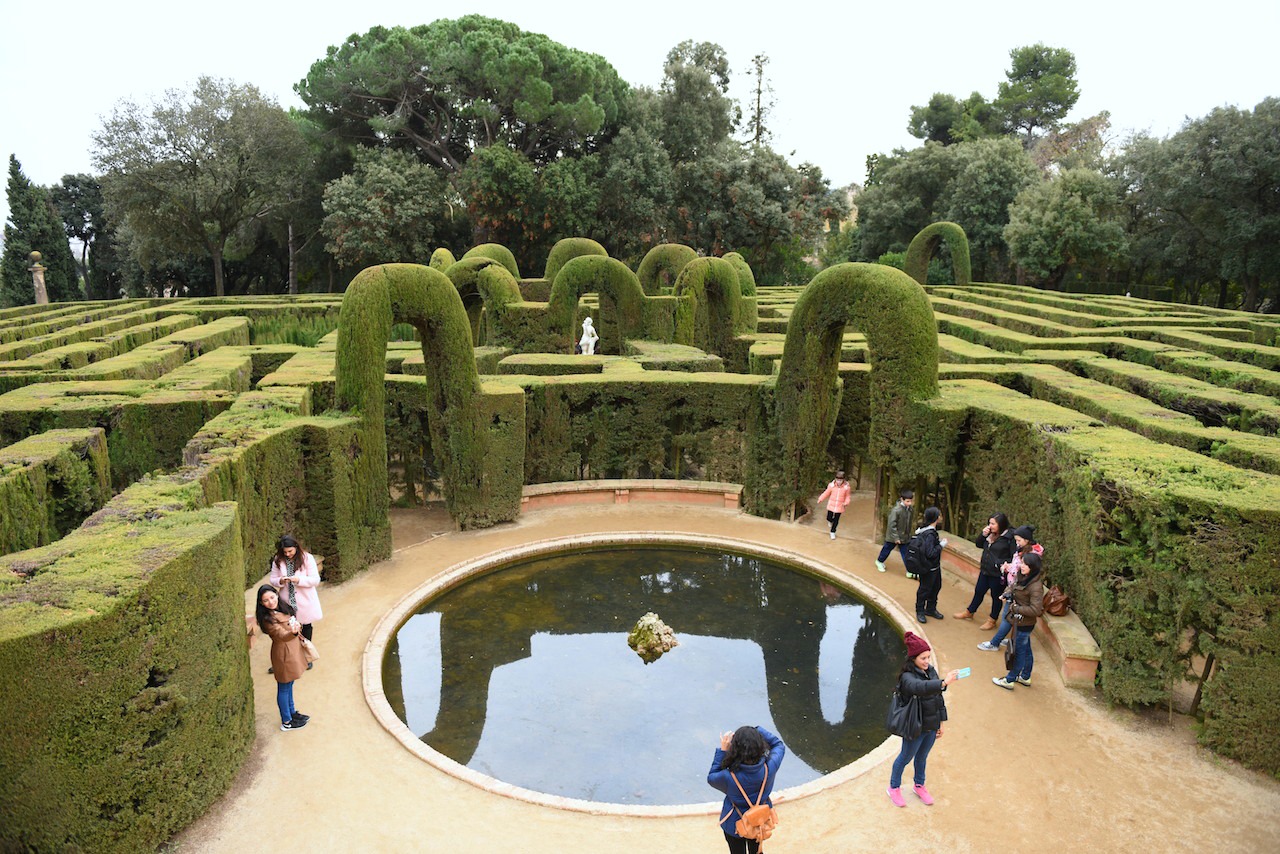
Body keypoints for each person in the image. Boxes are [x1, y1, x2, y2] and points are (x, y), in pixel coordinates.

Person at [887, 631, 958, 807]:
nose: (927, 662)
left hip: (930, 726)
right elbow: (920, 687)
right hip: (914, 726)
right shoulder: (907, 678)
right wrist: (943, 683)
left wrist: (940, 723)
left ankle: (919, 785)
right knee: (905, 757)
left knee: (922, 757)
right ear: (913, 659)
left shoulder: (930, 671)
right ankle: (893, 787)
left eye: (928, 657)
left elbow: (938, 699)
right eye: (923, 658)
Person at [708, 725, 785, 854]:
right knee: (757, 851)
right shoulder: (770, 767)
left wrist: (722, 751)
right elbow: (778, 745)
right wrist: (755, 731)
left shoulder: (728, 776)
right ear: (760, 745)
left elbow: (711, 777)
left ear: (734, 749)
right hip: (760, 820)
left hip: (734, 823)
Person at [978, 526, 1044, 652]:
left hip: (1019, 593)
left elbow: (1020, 570)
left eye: (1019, 540)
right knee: (1009, 618)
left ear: (1026, 540)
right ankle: (1008, 640)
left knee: (1007, 617)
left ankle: (994, 643)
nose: (1016, 543)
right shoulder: (1023, 550)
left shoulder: (1030, 556)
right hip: (1015, 588)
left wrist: (1009, 568)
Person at [256, 585, 310, 731]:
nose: (270, 602)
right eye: (266, 600)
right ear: (261, 603)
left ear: (276, 595)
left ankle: (292, 713)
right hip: (283, 654)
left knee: (289, 684)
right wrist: (293, 632)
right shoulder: (268, 619)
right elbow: (280, 635)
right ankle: (286, 721)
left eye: (272, 597)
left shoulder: (281, 608)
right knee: (284, 687)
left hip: (290, 651)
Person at [993, 551, 1045, 689]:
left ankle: (1010, 680)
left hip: (1024, 624)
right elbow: (1013, 586)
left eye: (1026, 564)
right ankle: (1025, 677)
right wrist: (1007, 593)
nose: (1022, 566)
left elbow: (1036, 610)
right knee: (1026, 650)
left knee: (1019, 652)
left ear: (1033, 567)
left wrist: (1016, 608)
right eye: (1022, 562)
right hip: (1019, 622)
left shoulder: (1036, 587)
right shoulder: (1024, 577)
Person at [269, 535, 322, 670]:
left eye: (290, 551)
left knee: (305, 627)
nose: (287, 554)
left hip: (304, 600)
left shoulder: (307, 558)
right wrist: (281, 580)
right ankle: (284, 659)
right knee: (286, 629)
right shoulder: (278, 560)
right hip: (286, 600)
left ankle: (306, 656)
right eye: (285, 552)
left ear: (296, 548)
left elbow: (315, 580)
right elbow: (273, 579)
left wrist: (298, 580)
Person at [955, 512, 1014, 629]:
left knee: (996, 596)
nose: (990, 526)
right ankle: (970, 611)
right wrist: (983, 535)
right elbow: (978, 544)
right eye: (989, 523)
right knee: (979, 591)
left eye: (993, 524)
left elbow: (1013, 557)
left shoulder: (1009, 538)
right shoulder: (990, 535)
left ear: (1001, 524)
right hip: (985, 570)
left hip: (997, 574)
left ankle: (992, 620)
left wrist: (999, 563)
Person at [913, 506, 947, 624]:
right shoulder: (929, 534)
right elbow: (930, 552)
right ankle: (920, 611)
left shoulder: (926, 531)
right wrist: (941, 545)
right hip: (928, 568)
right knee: (924, 589)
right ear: (936, 518)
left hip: (934, 567)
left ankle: (931, 609)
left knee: (936, 587)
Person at [875, 489, 915, 574]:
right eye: (908, 501)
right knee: (887, 549)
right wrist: (896, 537)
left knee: (906, 553)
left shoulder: (910, 509)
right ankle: (879, 561)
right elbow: (892, 525)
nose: (910, 503)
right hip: (893, 536)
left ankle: (909, 570)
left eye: (911, 501)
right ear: (902, 499)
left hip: (904, 537)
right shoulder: (896, 510)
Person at [816, 470, 852, 539]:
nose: (838, 481)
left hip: (840, 506)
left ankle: (833, 532)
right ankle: (830, 521)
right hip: (831, 505)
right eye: (837, 480)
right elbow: (826, 493)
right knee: (829, 517)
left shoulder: (846, 488)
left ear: (843, 480)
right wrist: (820, 498)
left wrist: (846, 502)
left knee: (836, 520)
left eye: (840, 480)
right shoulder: (831, 486)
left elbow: (847, 496)